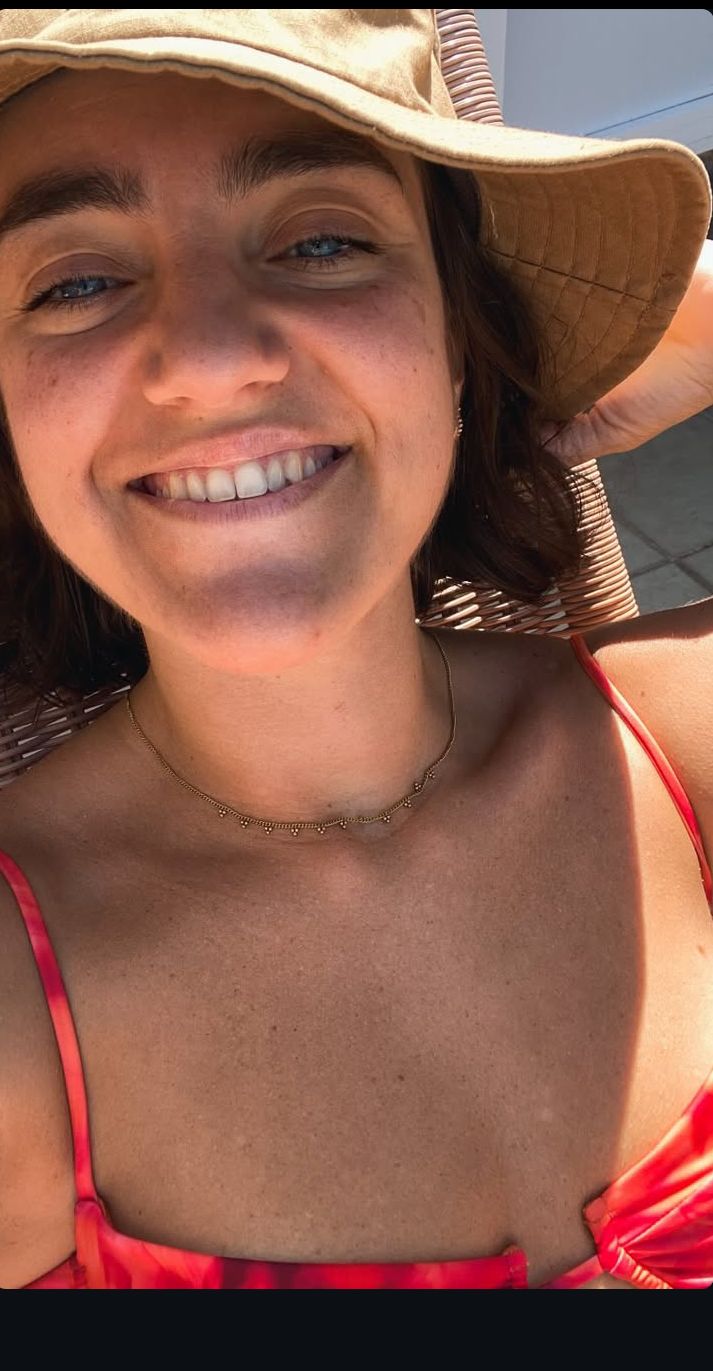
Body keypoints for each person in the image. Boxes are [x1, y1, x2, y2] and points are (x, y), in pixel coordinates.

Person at [0, 10, 711, 1292]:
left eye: (322, 241)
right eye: (76, 283)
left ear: (455, 338)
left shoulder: (686, 734)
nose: (213, 360)